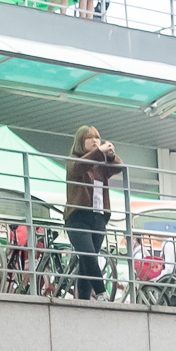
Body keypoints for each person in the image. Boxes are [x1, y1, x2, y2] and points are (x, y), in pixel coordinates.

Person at [62, 125, 122, 302]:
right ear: (81, 141)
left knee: (87, 263)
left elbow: (119, 167)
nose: (96, 141)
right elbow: (77, 169)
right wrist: (99, 153)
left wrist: (110, 156)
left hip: (98, 216)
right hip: (78, 218)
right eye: (91, 138)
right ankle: (101, 293)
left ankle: (83, 300)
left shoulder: (100, 164)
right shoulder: (73, 159)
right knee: (88, 256)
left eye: (98, 138)